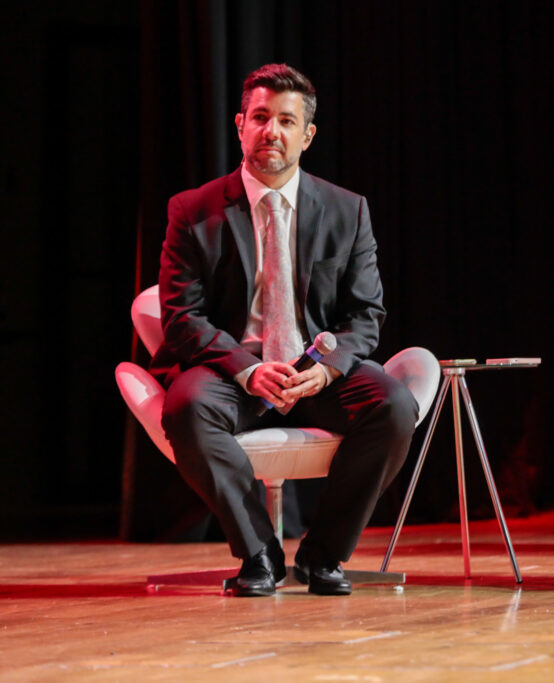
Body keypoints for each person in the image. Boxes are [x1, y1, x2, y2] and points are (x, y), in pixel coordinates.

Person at [151, 63, 419, 597]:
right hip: (232, 370)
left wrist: (323, 371)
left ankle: (324, 555)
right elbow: (182, 316)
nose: (272, 131)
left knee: (393, 406)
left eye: (286, 120)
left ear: (307, 134)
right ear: (240, 125)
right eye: (261, 117)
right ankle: (259, 553)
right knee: (186, 406)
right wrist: (247, 371)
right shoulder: (192, 210)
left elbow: (366, 314)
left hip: (314, 369)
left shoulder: (348, 210)